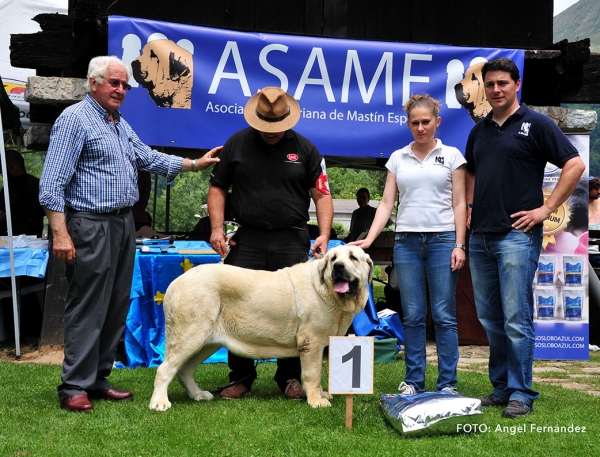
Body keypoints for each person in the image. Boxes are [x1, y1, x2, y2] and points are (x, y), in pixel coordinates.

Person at [38, 55, 222, 413]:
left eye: (125, 85)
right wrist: (60, 233)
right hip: (89, 223)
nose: (121, 90)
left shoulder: (117, 123)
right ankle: (74, 385)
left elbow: (146, 157)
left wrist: (192, 164)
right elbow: (51, 184)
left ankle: (98, 378)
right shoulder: (74, 120)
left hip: (123, 224)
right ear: (94, 83)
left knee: (117, 302)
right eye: (114, 83)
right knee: (88, 303)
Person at [465, 57, 585, 418]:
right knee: (489, 317)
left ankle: (521, 393)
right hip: (481, 236)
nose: (496, 89)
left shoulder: (536, 124)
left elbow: (575, 164)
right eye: (490, 84)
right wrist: (470, 205)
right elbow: (471, 171)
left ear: (517, 85)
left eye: (503, 83)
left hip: (517, 236)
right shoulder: (480, 130)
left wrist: (545, 210)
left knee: (516, 316)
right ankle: (501, 387)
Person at [208, 86, 334, 400]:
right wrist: (216, 228)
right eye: (266, 126)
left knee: (294, 308)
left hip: (292, 238)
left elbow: (322, 195)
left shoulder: (306, 149)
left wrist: (325, 234)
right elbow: (217, 188)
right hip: (246, 237)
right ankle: (241, 377)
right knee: (238, 306)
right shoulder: (236, 143)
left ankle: (290, 378)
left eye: (277, 126)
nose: (272, 132)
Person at [349, 94, 466, 396]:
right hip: (406, 241)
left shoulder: (453, 155)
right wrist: (371, 238)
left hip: (443, 240)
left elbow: (460, 203)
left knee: (443, 314)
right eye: (415, 123)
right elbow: (387, 204)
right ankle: (414, 380)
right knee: (412, 314)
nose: (421, 127)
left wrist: (460, 244)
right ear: (408, 124)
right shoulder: (398, 158)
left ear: (437, 122)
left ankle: (448, 384)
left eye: (426, 122)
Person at [0, 149, 45, 237]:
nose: (2, 175)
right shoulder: (38, 183)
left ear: (11, 168)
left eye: (2, 172)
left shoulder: (10, 188)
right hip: (36, 234)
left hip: (13, 238)